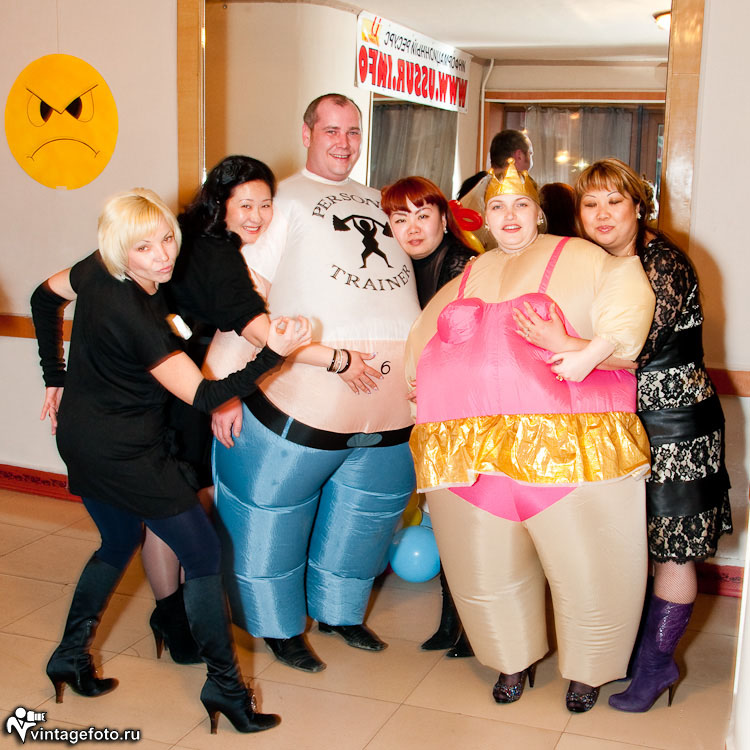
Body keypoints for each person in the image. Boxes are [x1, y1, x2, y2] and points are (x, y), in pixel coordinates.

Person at [31, 188, 312, 733]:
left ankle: (69, 657)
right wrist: (275, 354)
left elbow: (43, 299)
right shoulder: (138, 317)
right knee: (203, 553)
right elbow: (206, 396)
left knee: (118, 542)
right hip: (124, 452)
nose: (162, 255)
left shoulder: (97, 269)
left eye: (166, 239)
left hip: (83, 438)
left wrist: (54, 375)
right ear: (120, 251)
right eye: (145, 248)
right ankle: (226, 689)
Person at [405, 159, 655, 712]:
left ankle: (589, 669)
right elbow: (422, 334)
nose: (509, 215)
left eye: (521, 204)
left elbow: (626, 307)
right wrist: (415, 383)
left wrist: (587, 349)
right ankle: (509, 660)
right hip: (477, 457)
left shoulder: (584, 257)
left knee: (589, 567)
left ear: (539, 213)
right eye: (497, 206)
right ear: (484, 217)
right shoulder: (471, 273)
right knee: (484, 566)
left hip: (568, 452)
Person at [139, 155, 380, 667]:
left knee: (186, 499)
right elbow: (257, 332)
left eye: (266, 204)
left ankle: (178, 611)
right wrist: (337, 360)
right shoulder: (215, 253)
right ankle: (172, 618)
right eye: (245, 204)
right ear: (219, 202)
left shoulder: (195, 237)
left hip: (184, 376)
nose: (257, 216)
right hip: (181, 386)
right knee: (173, 506)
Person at [211, 93, 422, 673]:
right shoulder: (280, 201)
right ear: (307, 133)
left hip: (392, 412)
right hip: (303, 400)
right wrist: (224, 388)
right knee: (271, 516)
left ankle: (341, 612)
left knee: (365, 518)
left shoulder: (381, 201)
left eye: (353, 131)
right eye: (331, 130)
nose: (343, 143)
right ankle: (275, 626)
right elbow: (243, 297)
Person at [571, 158, 732, 712]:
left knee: (672, 551)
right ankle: (635, 653)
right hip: (623, 421)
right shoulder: (594, 263)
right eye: (590, 203)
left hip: (677, 427)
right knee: (626, 544)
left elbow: (631, 350)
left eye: (614, 201)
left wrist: (555, 341)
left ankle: (657, 665)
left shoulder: (663, 262)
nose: (602, 214)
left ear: (639, 207)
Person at [381, 175, 476, 657]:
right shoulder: (394, 269)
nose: (413, 228)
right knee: (441, 514)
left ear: (444, 217)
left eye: (424, 215)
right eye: (401, 218)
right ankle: (452, 620)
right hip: (425, 408)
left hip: (463, 410)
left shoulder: (463, 267)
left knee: (462, 519)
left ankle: (470, 626)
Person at [458, 129, 535, 199]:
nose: (531, 159)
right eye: (530, 154)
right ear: (519, 156)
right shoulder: (513, 193)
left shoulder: (475, 189)